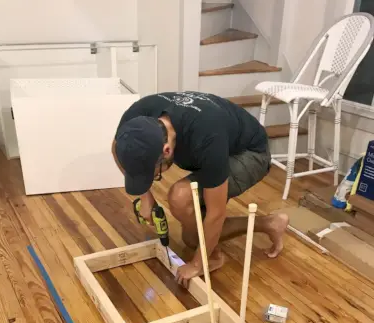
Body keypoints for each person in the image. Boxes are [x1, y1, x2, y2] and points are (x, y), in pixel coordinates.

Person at [112, 91, 288, 287]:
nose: (151, 179)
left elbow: (216, 212)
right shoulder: (137, 118)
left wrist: (198, 263)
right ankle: (270, 223)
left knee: (181, 198)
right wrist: (146, 197)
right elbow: (115, 147)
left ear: (166, 151)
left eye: (153, 175)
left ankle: (214, 257)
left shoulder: (206, 136)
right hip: (218, 147)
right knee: (191, 238)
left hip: (250, 153)